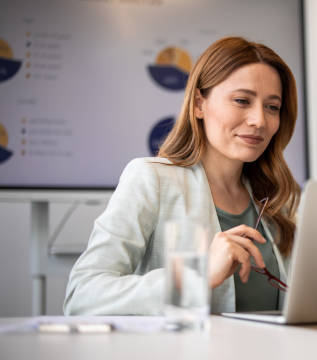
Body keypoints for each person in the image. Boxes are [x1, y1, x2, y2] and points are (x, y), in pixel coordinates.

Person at [64, 37, 301, 315]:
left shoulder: (279, 200)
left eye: (272, 107)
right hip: (183, 359)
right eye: (242, 100)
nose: (259, 120)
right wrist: (195, 276)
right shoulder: (151, 179)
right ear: (199, 104)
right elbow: (82, 296)